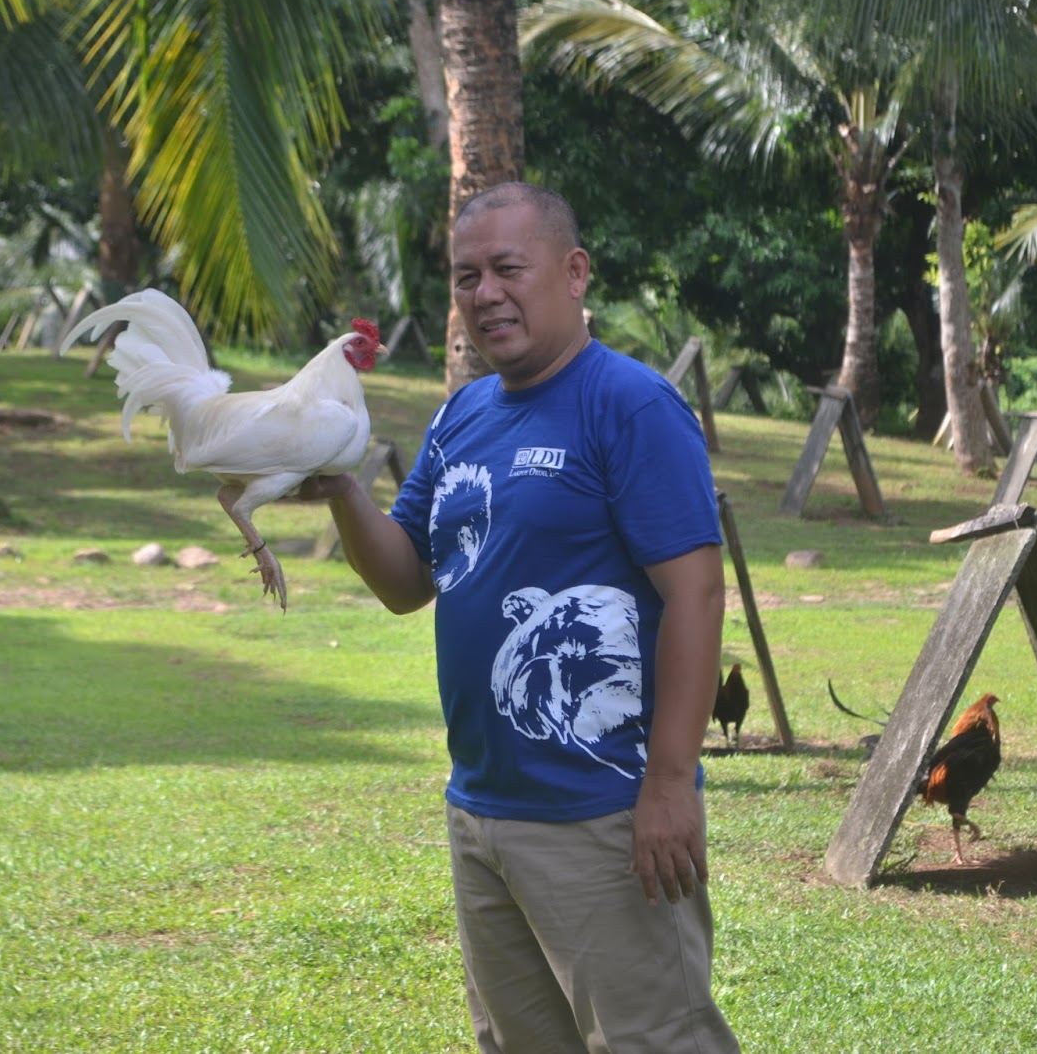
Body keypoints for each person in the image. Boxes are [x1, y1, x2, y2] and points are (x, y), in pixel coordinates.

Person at [302, 181, 739, 1053]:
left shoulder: (630, 405)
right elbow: (405, 581)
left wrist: (667, 784)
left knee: (654, 1040)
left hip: (604, 814)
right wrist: (342, 489)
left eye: (509, 268)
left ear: (574, 273)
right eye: (466, 276)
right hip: (485, 810)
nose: (484, 294)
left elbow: (696, 593)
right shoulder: (464, 414)